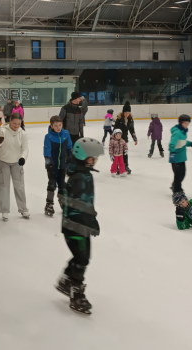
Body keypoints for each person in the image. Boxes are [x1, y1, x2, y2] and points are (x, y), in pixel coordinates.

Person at [55, 138, 103, 315]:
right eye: (94, 157)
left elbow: (86, 202)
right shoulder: (79, 177)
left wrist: (92, 218)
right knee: (82, 258)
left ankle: (66, 280)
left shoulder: (83, 174)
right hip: (75, 226)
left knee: (80, 256)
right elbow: (76, 204)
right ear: (85, 158)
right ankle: (76, 292)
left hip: (77, 224)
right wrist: (88, 220)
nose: (96, 160)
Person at [0, 113, 29, 222]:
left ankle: (23, 209)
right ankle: (5, 210)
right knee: (4, 186)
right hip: (3, 161)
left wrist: (23, 157)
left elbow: (25, 148)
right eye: (14, 123)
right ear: (10, 121)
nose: (17, 125)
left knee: (19, 186)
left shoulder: (23, 134)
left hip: (17, 162)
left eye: (19, 124)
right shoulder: (2, 131)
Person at [43, 115, 73, 217]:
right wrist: (49, 164)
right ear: (51, 126)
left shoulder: (66, 134)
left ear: (62, 124)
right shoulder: (48, 137)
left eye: (59, 125)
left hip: (63, 165)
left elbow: (69, 147)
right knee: (52, 184)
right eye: (55, 125)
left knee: (62, 184)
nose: (58, 127)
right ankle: (49, 204)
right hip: (52, 165)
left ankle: (62, 201)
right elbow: (47, 152)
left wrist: (70, 156)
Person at [169, 114, 192, 194]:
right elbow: (172, 144)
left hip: (181, 157)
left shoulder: (183, 132)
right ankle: (177, 191)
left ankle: (175, 186)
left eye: (188, 124)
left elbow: (183, 142)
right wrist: (172, 153)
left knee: (182, 174)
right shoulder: (177, 132)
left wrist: (191, 144)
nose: (186, 125)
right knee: (178, 175)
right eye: (185, 123)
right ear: (181, 123)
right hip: (176, 158)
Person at [113, 101, 137, 175]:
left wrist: (135, 138)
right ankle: (116, 167)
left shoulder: (130, 120)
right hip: (118, 140)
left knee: (125, 153)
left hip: (125, 140)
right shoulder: (119, 120)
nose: (127, 114)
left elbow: (132, 130)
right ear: (123, 112)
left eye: (128, 113)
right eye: (125, 113)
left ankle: (125, 166)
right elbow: (114, 130)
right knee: (118, 153)